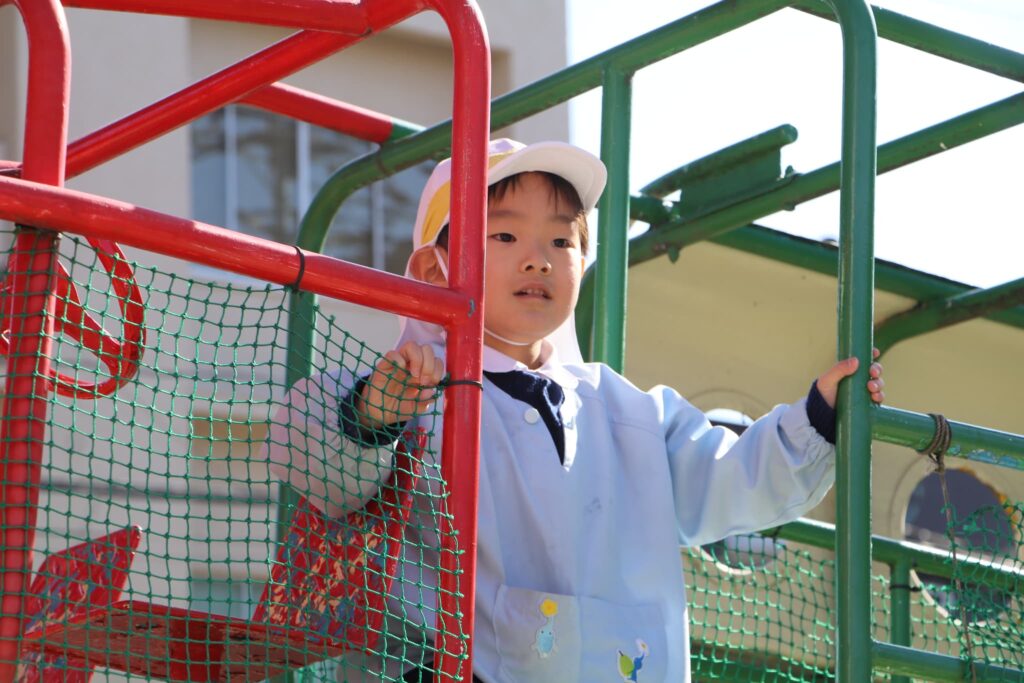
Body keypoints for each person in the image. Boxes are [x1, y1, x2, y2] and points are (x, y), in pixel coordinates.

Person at [266, 138, 885, 683]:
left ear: (583, 264)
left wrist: (818, 417)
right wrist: (373, 415)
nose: (538, 258)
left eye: (561, 240)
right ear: (435, 267)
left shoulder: (625, 409)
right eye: (504, 236)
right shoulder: (415, 391)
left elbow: (729, 476)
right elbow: (316, 461)